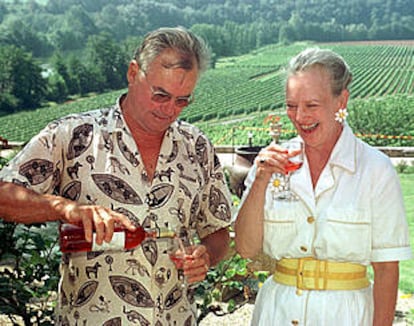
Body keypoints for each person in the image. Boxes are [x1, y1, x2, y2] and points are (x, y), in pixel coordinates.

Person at [0, 26, 232, 325]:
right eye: (161, 95)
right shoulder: (73, 135)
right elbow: (5, 195)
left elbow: (217, 231)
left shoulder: (197, 146)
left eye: (182, 100)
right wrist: (65, 208)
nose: (169, 110)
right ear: (134, 73)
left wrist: (206, 257)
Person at [234, 47, 412, 325]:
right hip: (276, 314)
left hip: (347, 316)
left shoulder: (376, 169)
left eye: (311, 105)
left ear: (341, 101)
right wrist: (259, 181)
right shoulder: (272, 165)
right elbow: (245, 248)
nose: (300, 116)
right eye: (291, 105)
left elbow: (387, 270)